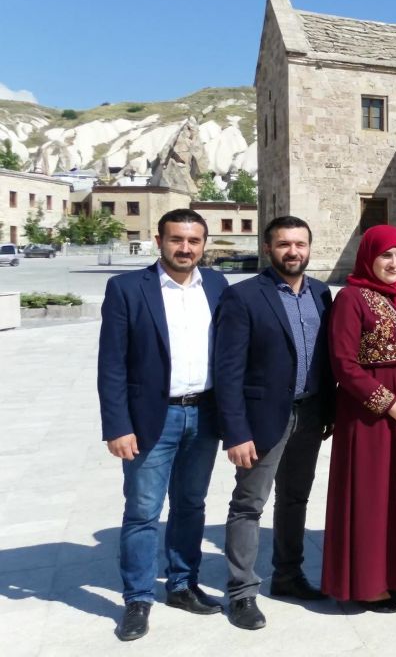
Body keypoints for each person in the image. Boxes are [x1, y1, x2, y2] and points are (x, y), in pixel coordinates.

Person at [98, 208, 229, 641]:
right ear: (160, 241)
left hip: (204, 414)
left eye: (193, 240)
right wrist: (117, 425)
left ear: (203, 244)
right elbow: (112, 365)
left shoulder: (216, 284)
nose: (185, 248)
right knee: (142, 511)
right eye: (177, 240)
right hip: (154, 417)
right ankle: (137, 598)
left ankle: (182, 585)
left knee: (191, 505)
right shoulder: (127, 289)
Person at [213, 216, 333, 630]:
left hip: (311, 411)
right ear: (269, 248)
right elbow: (227, 370)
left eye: (300, 243)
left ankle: (288, 574)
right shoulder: (244, 296)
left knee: (295, 498)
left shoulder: (321, 293)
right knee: (249, 504)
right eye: (284, 244)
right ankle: (242, 592)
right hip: (263, 418)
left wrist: (329, 410)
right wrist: (236, 431)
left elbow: (327, 357)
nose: (293, 251)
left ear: (309, 248)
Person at [321, 225, 396, 611]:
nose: (393, 263)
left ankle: (395, 575)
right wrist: (390, 404)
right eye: (385, 255)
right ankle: (368, 583)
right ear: (368, 256)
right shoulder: (351, 298)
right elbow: (344, 364)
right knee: (372, 497)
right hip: (369, 416)